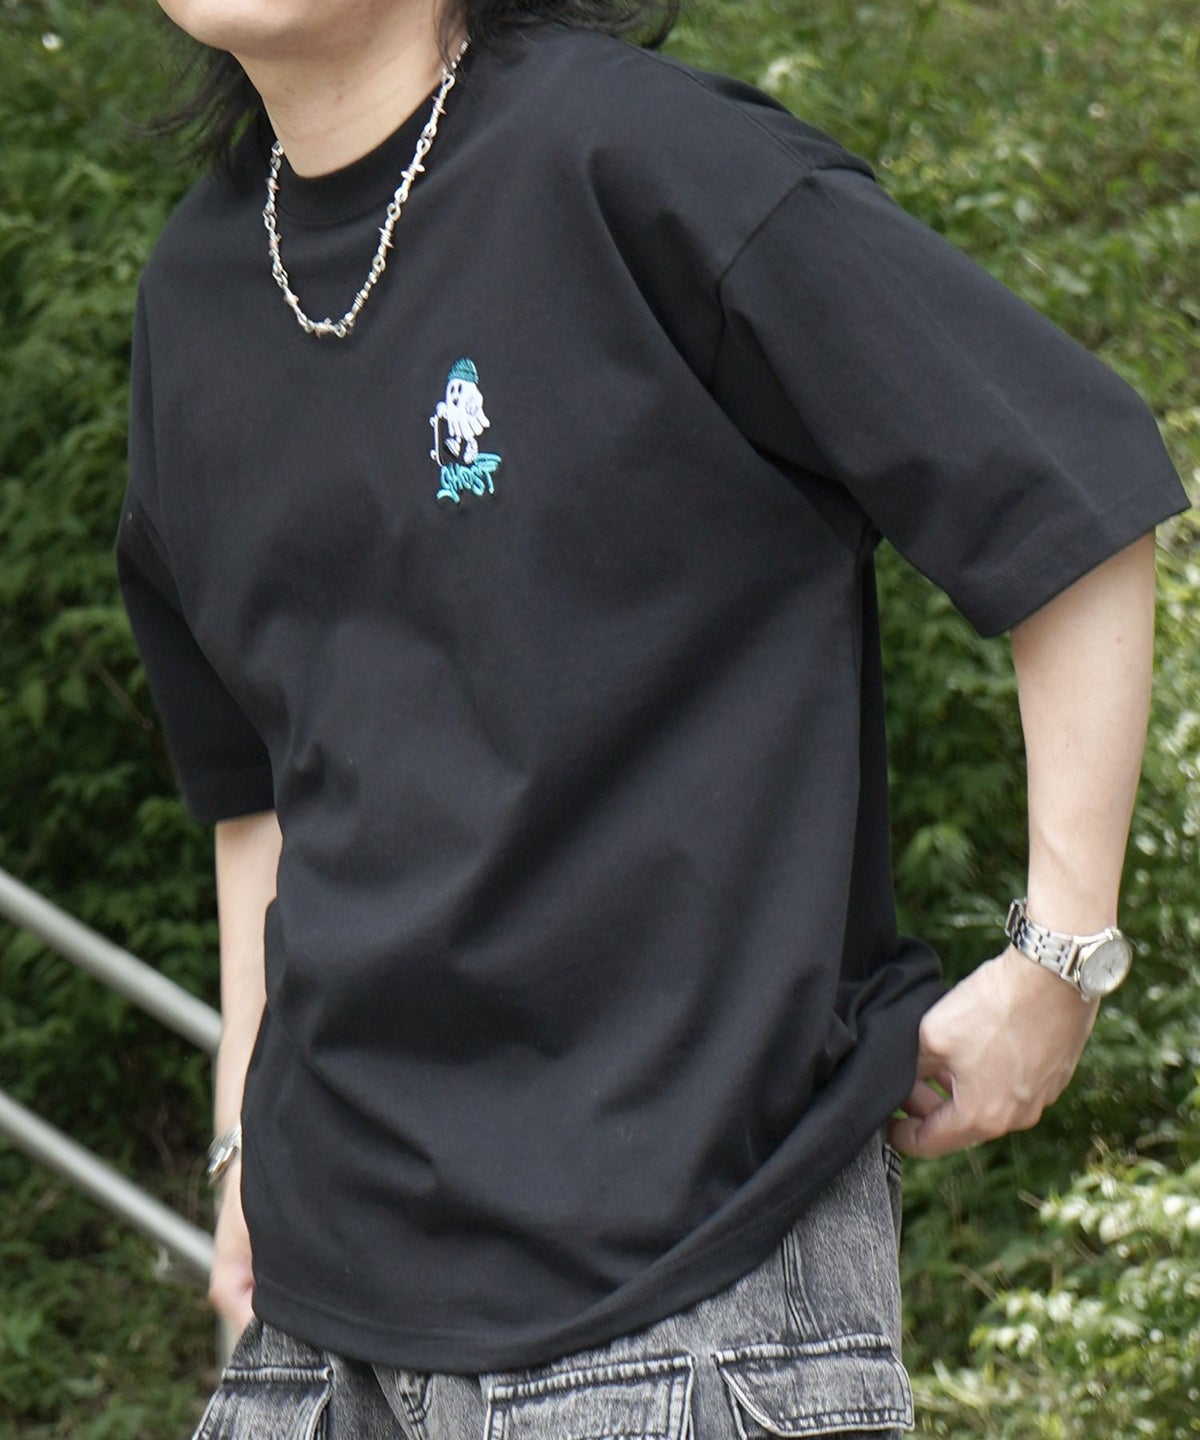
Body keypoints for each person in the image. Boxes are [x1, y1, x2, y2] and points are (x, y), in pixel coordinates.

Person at [114, 1, 1189, 1435]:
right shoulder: (195, 293)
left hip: (682, 1294)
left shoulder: (636, 159)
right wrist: (243, 1143)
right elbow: (260, 781)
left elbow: (1067, 485)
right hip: (320, 1326)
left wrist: (1060, 957)